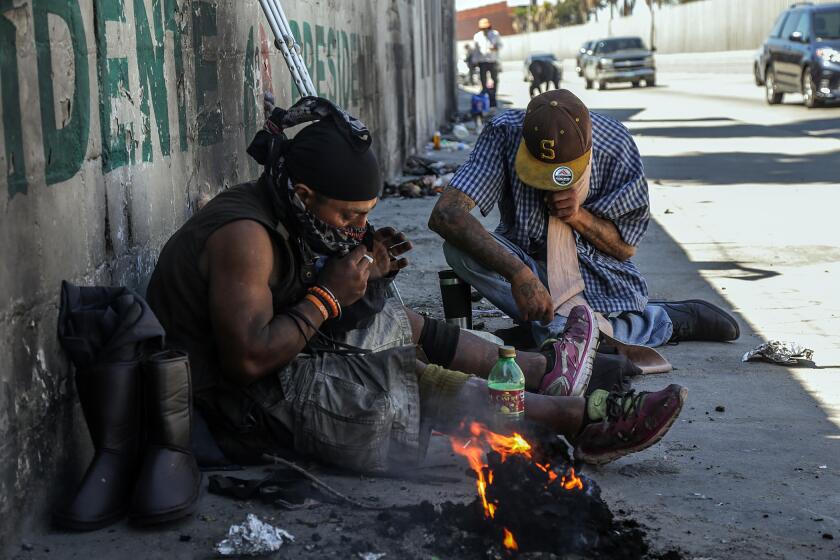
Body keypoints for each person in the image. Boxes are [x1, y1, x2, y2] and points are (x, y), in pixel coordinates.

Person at [146, 97, 687, 472]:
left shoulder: (283, 204)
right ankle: (571, 421)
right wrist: (329, 295)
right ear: (305, 195)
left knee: (390, 317)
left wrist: (365, 269)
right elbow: (246, 361)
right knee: (403, 379)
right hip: (233, 408)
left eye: (366, 216)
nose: (357, 228)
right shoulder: (245, 237)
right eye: (348, 216)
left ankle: (540, 371)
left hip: (273, 369)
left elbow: (308, 292)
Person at [429, 89, 739, 348]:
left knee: (563, 342)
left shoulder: (615, 145)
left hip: (595, 274)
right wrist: (519, 274)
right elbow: (446, 214)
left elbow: (625, 248)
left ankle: (658, 321)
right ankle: (552, 330)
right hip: (527, 262)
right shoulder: (505, 132)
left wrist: (579, 217)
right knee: (456, 247)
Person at [473, 18, 502, 108]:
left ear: (489, 27)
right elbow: (476, 50)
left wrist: (495, 48)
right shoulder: (477, 36)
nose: (485, 30)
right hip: (482, 62)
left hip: (493, 61)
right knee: (483, 80)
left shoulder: (495, 34)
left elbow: (500, 45)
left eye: (486, 28)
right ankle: (485, 98)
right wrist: (475, 61)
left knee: (494, 80)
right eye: (483, 28)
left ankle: (493, 98)